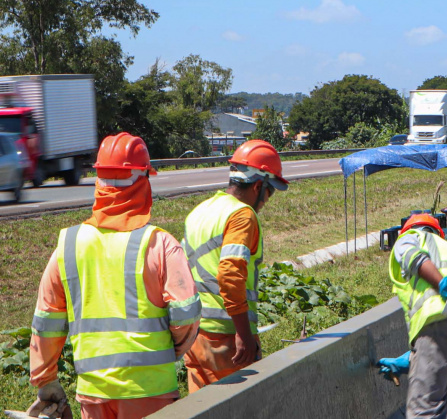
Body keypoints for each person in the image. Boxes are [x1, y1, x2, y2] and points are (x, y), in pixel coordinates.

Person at [28, 133, 200, 419]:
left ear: (99, 183)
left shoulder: (68, 245)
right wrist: (171, 352)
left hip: (93, 394)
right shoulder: (160, 244)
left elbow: (46, 322)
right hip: (150, 392)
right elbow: (186, 314)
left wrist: (45, 379)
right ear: (143, 182)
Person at [182, 139, 287, 392]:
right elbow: (230, 275)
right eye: (269, 192)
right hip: (226, 337)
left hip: (194, 336)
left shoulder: (200, 210)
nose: (266, 201)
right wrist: (244, 334)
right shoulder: (242, 214)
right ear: (259, 186)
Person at [378, 213, 447, 419]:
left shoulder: (410, 238)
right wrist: (413, 358)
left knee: (424, 411)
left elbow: (414, 258)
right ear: (439, 233)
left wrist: (442, 284)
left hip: (441, 317)